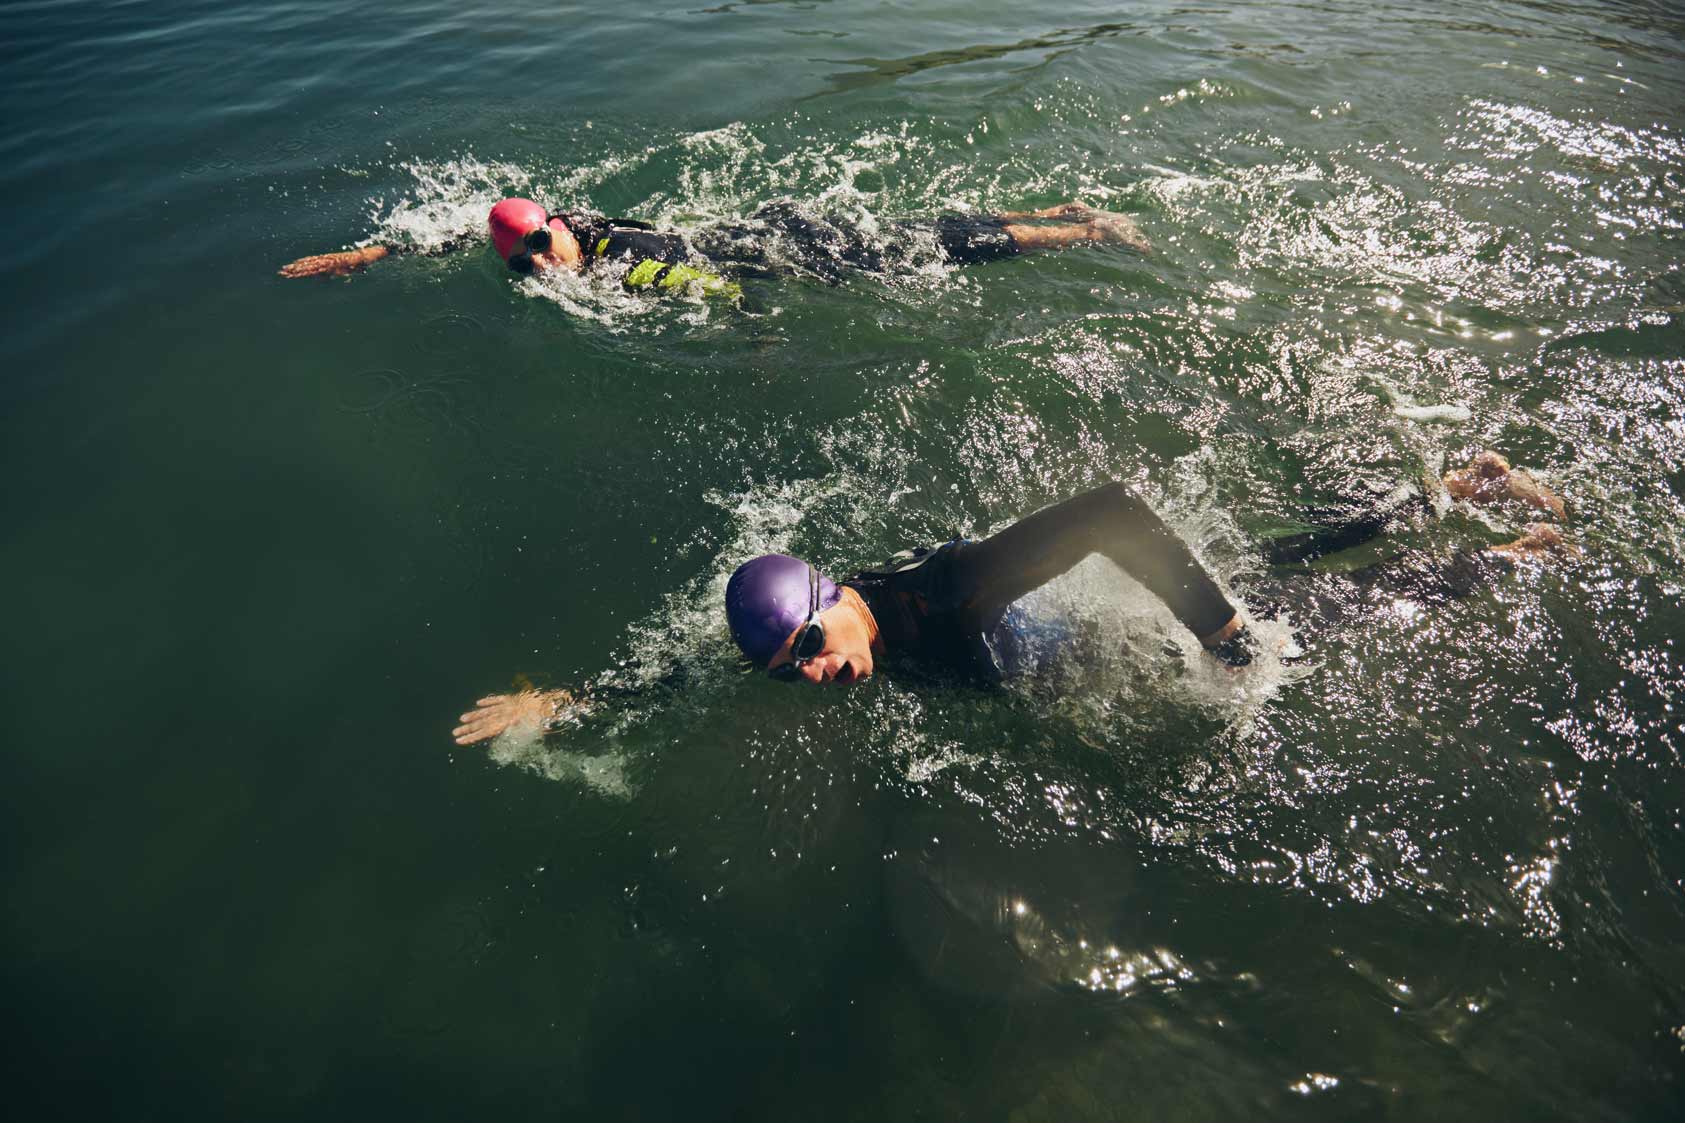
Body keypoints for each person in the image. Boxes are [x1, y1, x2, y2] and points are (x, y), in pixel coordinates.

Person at [450, 450, 1569, 745]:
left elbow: (1113, 512)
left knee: (1313, 607)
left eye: (811, 642)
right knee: (1286, 557)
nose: (817, 669)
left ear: (834, 595)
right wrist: (564, 698)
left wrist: (1221, 639)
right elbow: (695, 668)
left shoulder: (945, 593)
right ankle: (1447, 487)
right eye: (790, 666)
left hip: (1109, 635)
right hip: (1069, 650)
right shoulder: (807, 640)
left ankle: (1501, 540)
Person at [277, 195, 1152, 291]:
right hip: (761, 230)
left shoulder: (621, 259)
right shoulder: (573, 227)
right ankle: (1068, 214)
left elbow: (723, 295)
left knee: (937, 250)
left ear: (554, 228)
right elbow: (463, 233)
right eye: (519, 261)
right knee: (926, 235)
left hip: (789, 249)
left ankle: (1085, 228)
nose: (537, 263)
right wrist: (368, 255)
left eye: (538, 246)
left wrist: (759, 338)